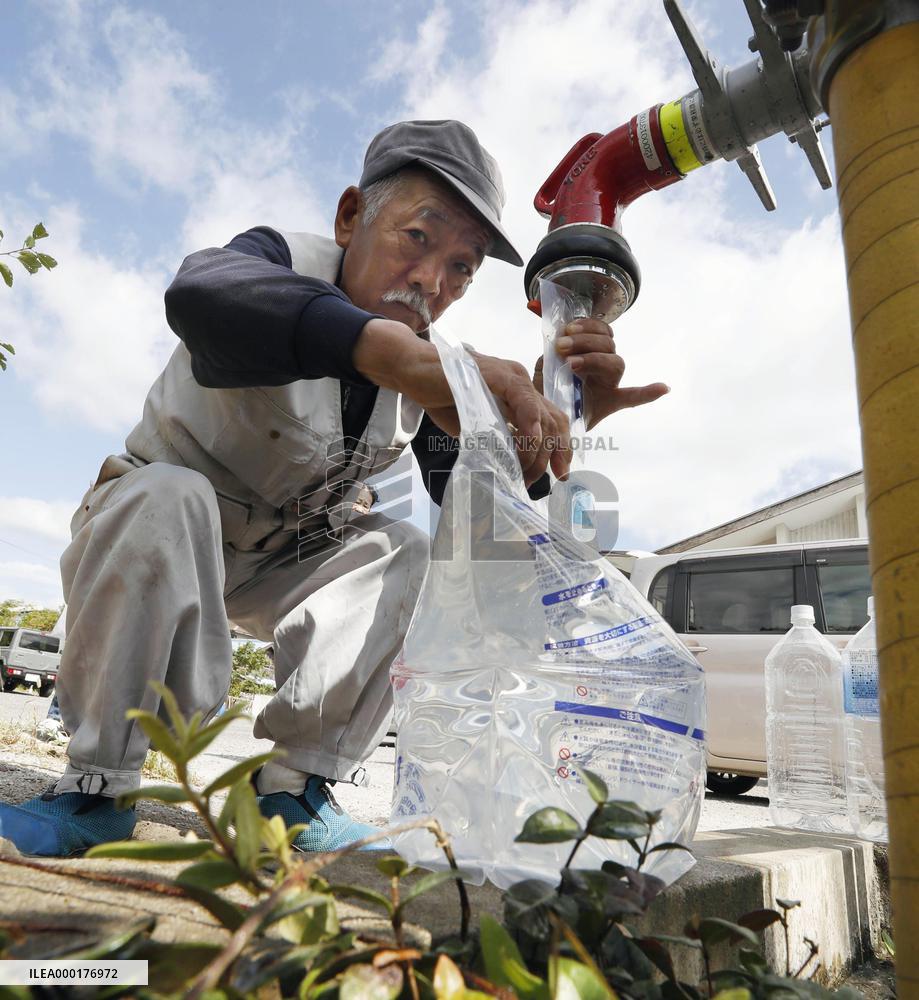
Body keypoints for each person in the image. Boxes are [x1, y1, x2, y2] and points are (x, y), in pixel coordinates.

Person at [0, 120, 667, 857]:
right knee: (166, 499)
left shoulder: (434, 365)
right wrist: (401, 360)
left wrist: (555, 428)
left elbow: (480, 506)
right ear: (352, 216)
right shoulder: (275, 263)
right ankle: (97, 790)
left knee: (406, 551)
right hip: (161, 536)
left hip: (279, 563)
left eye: (461, 269)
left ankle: (293, 790)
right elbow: (201, 293)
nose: (431, 283)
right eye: (417, 238)